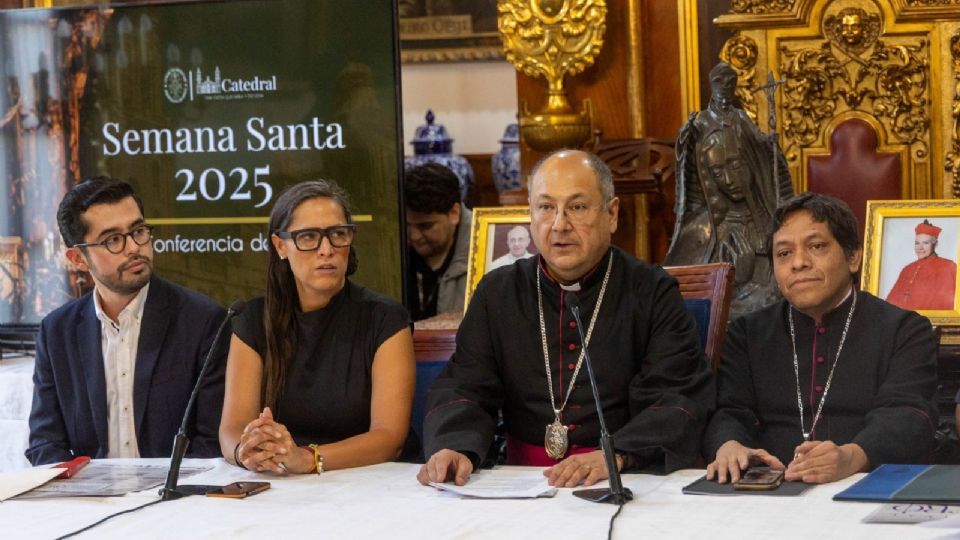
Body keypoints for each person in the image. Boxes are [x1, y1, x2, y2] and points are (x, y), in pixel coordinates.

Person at [417, 149, 714, 489]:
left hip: (620, 478)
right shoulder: (498, 293)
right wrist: (454, 448)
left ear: (612, 214)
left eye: (577, 207)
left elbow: (677, 397)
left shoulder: (651, 291)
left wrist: (615, 454)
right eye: (546, 207)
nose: (559, 224)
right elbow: (464, 385)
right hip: (518, 483)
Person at [704, 193, 938, 484]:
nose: (799, 263)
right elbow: (729, 410)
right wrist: (729, 444)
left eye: (816, 246)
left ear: (853, 256)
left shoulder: (905, 330)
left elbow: (908, 414)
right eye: (784, 253)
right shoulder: (747, 334)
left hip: (866, 483)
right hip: (767, 492)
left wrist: (852, 457)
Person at [26, 177, 227, 465]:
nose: (134, 247)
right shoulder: (56, 332)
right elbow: (45, 443)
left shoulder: (203, 321)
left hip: (176, 499)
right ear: (78, 258)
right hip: (90, 501)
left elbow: (212, 443)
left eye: (138, 231)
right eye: (113, 240)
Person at [220, 180, 414, 474]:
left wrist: (308, 458)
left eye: (338, 234)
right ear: (280, 246)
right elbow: (233, 427)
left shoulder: (385, 319)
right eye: (308, 237)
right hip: (281, 481)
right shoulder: (253, 319)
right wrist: (247, 451)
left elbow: (389, 438)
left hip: (366, 484)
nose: (326, 249)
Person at [666, 62, 794, 317]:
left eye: (735, 166)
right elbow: (686, 307)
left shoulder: (774, 224)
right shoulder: (700, 232)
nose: (728, 180)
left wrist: (767, 143)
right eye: (717, 172)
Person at [404, 163, 472, 320]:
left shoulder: (483, 249)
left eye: (425, 226)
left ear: (454, 213)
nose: (414, 236)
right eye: (407, 225)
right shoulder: (394, 241)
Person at [886, 220, 957, 311]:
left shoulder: (947, 267)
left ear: (935, 244)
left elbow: (947, 305)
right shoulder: (908, 269)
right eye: (917, 243)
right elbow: (891, 303)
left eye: (925, 243)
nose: (920, 248)